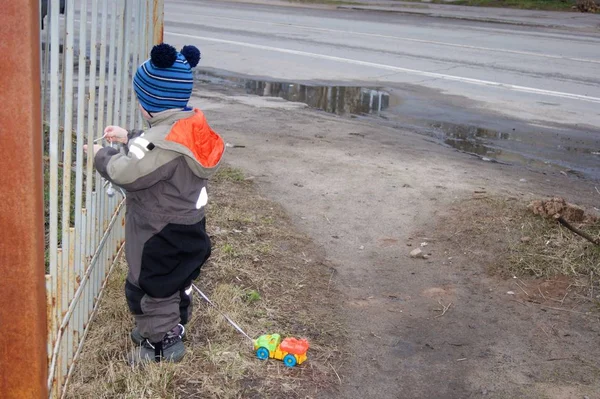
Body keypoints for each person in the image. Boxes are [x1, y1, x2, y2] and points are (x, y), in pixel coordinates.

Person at [84, 42, 224, 364]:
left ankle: (161, 343)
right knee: (178, 278)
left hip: (157, 231)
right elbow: (160, 145)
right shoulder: (189, 129)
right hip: (188, 224)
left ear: (150, 104)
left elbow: (131, 171)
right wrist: (131, 136)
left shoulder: (161, 147)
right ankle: (171, 323)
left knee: (151, 286)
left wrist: (101, 155)